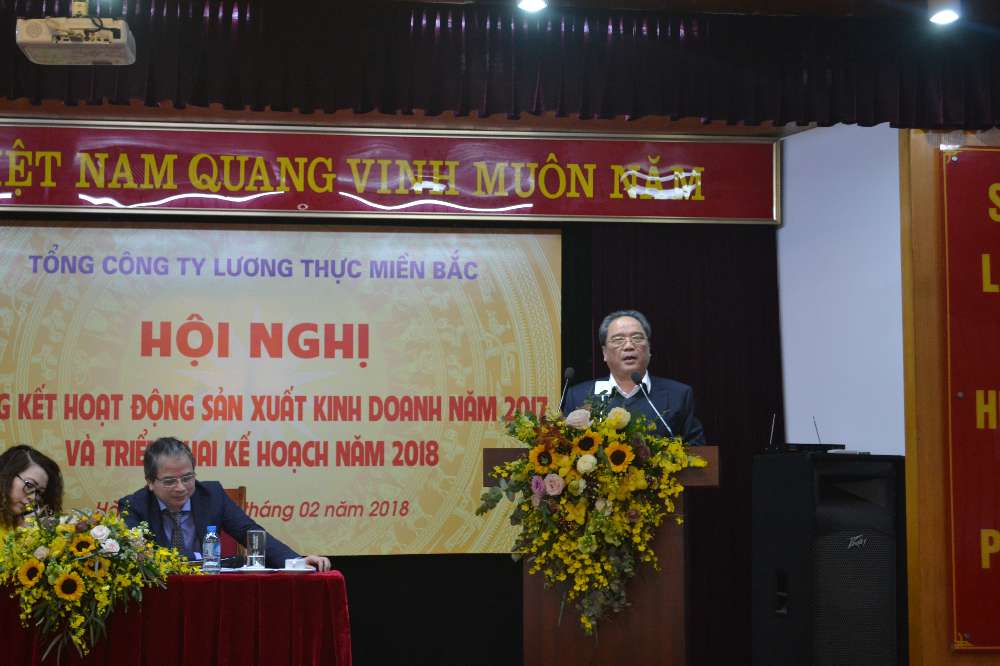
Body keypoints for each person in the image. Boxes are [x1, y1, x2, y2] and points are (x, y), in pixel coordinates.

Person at [118, 437, 331, 571]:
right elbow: (140, 558)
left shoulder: (212, 496)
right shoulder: (133, 506)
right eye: (169, 481)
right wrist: (196, 559)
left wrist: (296, 562)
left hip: (210, 591)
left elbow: (250, 532)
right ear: (150, 482)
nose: (181, 487)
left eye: (187, 478)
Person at [563, 309, 706, 444]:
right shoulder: (578, 396)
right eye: (618, 340)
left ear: (649, 349)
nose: (629, 346)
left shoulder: (678, 395)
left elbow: (697, 451)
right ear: (604, 353)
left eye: (637, 338)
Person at [0, 445, 64, 535]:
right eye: (29, 485)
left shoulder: (24, 527)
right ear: (6, 475)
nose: (33, 498)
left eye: (39, 492)